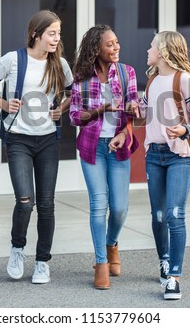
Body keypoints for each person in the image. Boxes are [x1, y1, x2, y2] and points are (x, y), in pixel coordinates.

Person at [0, 10, 73, 284]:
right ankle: (17, 249)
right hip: (18, 137)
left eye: (58, 33)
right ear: (36, 34)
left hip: (47, 140)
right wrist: (4, 104)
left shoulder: (60, 64)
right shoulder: (13, 59)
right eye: (51, 33)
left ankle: (42, 261)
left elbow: (73, 92)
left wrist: (61, 109)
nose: (56, 38)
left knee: (46, 204)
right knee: (25, 201)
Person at [69, 24, 139, 290]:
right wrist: (102, 109)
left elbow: (134, 110)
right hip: (93, 147)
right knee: (99, 204)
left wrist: (130, 115)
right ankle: (100, 263)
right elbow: (75, 116)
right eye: (110, 44)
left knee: (119, 208)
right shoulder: (82, 78)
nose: (116, 47)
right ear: (96, 49)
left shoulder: (126, 72)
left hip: (118, 146)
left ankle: (112, 245)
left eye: (117, 42)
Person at [137, 30, 190, 300]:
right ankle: (164, 260)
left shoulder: (184, 79)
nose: (147, 50)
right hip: (154, 155)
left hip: (179, 156)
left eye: (152, 46)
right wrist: (133, 108)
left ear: (164, 51)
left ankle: (174, 277)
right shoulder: (153, 80)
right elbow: (144, 113)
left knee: (175, 215)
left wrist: (185, 129)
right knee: (158, 216)